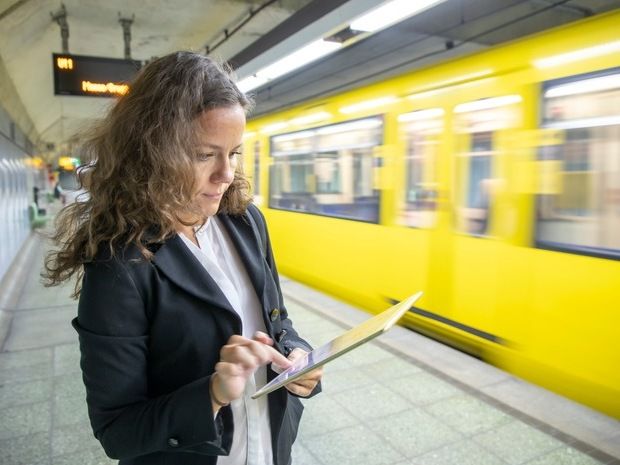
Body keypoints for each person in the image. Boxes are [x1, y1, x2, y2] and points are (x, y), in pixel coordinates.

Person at [43, 51, 322, 465]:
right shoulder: (119, 264)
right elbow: (117, 431)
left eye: (234, 153)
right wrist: (210, 394)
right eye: (203, 154)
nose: (226, 174)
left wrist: (301, 357)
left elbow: (278, 322)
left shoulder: (245, 220)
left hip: (267, 449)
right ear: (152, 153)